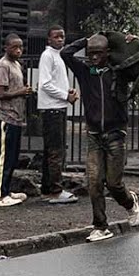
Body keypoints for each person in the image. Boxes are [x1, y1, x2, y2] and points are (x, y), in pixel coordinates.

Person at [61, 33, 139, 242]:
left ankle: (130, 203)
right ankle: (100, 226)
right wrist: (87, 39)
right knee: (94, 182)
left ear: (108, 53)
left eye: (99, 54)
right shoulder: (85, 71)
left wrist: (127, 41)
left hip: (116, 132)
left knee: (114, 184)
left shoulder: (119, 71)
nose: (94, 58)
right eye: (91, 54)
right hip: (94, 134)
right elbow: (65, 52)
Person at [37, 26, 79, 204]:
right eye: (56, 37)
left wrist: (67, 91)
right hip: (52, 108)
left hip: (57, 107)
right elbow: (45, 84)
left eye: (62, 36)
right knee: (56, 151)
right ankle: (55, 190)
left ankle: (47, 188)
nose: (60, 40)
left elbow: (54, 82)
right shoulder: (48, 56)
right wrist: (65, 96)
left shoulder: (58, 56)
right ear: (49, 39)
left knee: (51, 150)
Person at [0, 34, 31, 208]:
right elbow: (0, 94)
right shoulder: (3, 65)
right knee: (5, 157)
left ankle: (7, 191)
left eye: (20, 47)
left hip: (17, 117)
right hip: (6, 117)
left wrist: (24, 91)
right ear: (6, 47)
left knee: (13, 156)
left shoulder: (16, 64)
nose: (19, 50)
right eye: (15, 47)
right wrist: (20, 92)